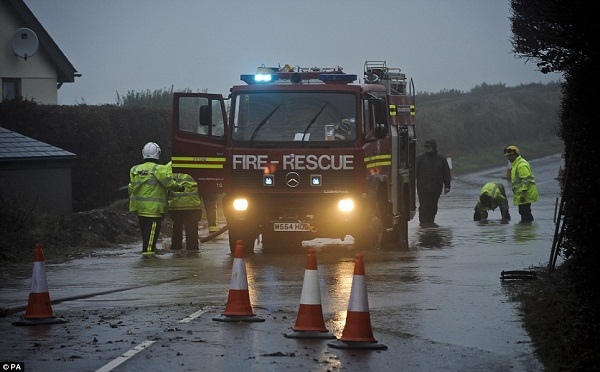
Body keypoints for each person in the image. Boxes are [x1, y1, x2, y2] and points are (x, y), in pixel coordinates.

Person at [128, 142, 183, 256]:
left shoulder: (134, 169)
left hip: (140, 209)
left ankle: (148, 251)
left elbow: (131, 187)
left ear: (143, 153)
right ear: (158, 153)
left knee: (145, 235)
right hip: (154, 211)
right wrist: (180, 187)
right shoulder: (158, 169)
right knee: (152, 236)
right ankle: (148, 257)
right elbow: (168, 183)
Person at [415, 139, 452, 226]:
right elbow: (414, 173)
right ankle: (423, 224)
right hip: (423, 188)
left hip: (436, 188)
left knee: (433, 206)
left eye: (428, 147)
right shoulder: (420, 159)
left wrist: (447, 186)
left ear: (434, 148)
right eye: (425, 147)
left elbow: (446, 173)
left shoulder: (441, 159)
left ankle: (431, 222)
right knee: (424, 206)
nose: (427, 149)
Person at [168, 168, 203, 251]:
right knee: (192, 228)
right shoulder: (196, 165)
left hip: (175, 205)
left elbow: (166, 184)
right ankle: (192, 250)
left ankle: (176, 248)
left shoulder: (168, 167)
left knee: (177, 227)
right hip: (193, 204)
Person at [504, 145, 539, 222]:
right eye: (507, 156)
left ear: (516, 154)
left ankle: (527, 229)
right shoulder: (516, 164)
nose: (509, 158)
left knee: (525, 213)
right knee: (523, 212)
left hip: (525, 194)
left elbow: (526, 180)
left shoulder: (521, 165)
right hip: (522, 194)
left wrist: (523, 193)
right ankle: (527, 228)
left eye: (510, 156)